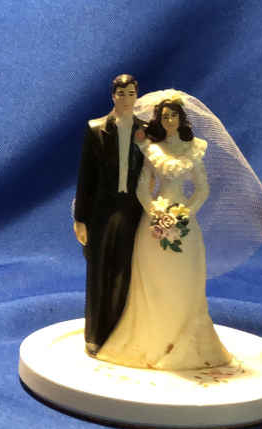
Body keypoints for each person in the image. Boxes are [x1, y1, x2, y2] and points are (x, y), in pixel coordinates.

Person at [95, 95, 232, 371]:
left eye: (173, 115)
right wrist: (155, 212)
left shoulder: (194, 149)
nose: (169, 120)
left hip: (183, 221)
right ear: (159, 120)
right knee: (154, 278)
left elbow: (202, 189)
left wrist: (184, 213)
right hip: (154, 222)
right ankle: (152, 338)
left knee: (183, 277)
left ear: (181, 118)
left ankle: (182, 335)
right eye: (165, 116)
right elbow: (143, 187)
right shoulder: (153, 149)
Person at [74, 75, 149, 356]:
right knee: (98, 270)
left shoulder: (146, 131)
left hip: (134, 209)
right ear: (113, 95)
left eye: (131, 93)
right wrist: (80, 218)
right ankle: (95, 335)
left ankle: (121, 334)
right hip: (102, 211)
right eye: (121, 93)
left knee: (126, 271)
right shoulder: (96, 129)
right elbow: (86, 177)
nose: (126, 99)